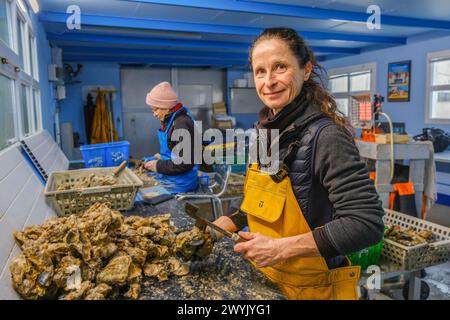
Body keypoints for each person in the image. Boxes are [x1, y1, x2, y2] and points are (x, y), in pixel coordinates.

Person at [211, 28, 385, 300]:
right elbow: (258, 199)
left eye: (280, 67)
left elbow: (366, 224)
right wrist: (227, 222)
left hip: (313, 288)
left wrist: (281, 248)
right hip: (265, 280)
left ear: (305, 70)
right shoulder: (265, 133)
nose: (268, 81)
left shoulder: (326, 136)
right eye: (260, 71)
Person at [143, 81, 198, 194]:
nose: (154, 114)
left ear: (166, 108)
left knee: (142, 197)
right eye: (152, 110)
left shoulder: (181, 124)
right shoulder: (172, 120)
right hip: (172, 177)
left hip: (180, 183)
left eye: (156, 109)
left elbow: (184, 163)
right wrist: (162, 157)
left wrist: (158, 165)